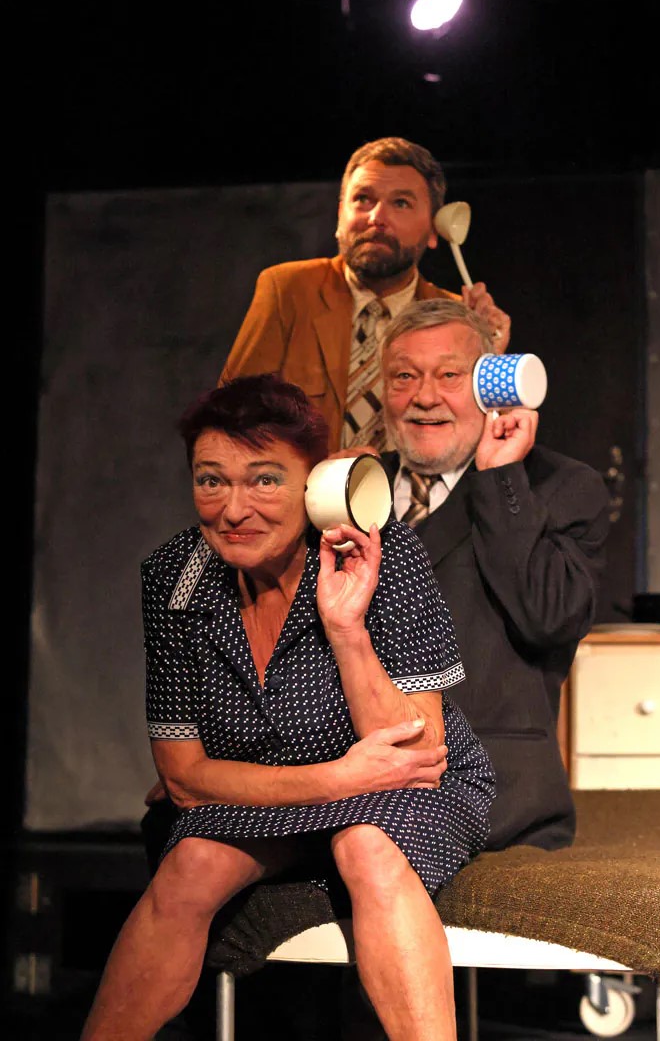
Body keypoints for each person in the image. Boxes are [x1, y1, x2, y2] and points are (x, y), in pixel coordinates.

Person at [81, 373, 495, 1041]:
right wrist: (336, 779)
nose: (233, 509)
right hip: (292, 789)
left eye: (265, 480)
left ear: (314, 485)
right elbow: (184, 777)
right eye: (211, 481)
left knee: (366, 844)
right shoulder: (175, 577)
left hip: (411, 793)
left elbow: (414, 752)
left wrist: (347, 628)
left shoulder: (382, 552)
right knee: (192, 863)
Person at [380, 298, 610, 851]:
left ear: (491, 384)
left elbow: (550, 619)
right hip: (354, 780)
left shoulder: (558, 486)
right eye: (404, 377)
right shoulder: (351, 484)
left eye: (449, 376)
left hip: (496, 795)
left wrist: (500, 476)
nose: (424, 397)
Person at [218, 136, 511, 450]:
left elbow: (491, 444)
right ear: (340, 214)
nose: (377, 218)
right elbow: (228, 420)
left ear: (434, 229)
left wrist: (491, 359)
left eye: (401, 203)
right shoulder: (289, 290)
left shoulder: (455, 318)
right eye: (363, 199)